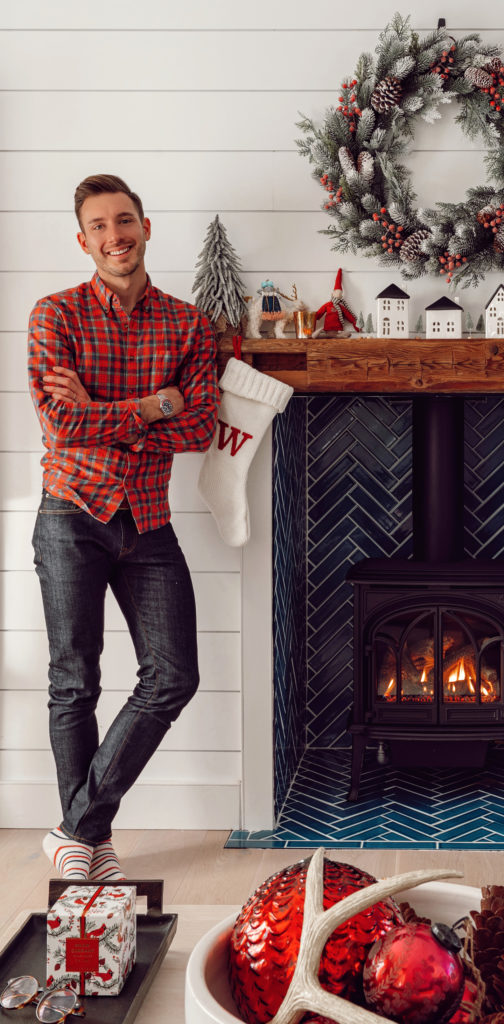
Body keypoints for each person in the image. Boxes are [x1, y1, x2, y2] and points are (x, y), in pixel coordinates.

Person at [28, 174, 219, 880]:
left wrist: (111, 410)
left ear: (145, 225)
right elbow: (60, 424)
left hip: (148, 521)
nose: (116, 236)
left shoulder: (188, 324)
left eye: (125, 220)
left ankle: (77, 826)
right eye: (101, 226)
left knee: (174, 676)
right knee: (74, 681)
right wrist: (150, 406)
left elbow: (199, 425)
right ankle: (91, 846)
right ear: (85, 241)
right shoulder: (55, 315)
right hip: (70, 515)